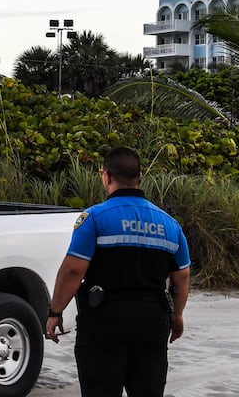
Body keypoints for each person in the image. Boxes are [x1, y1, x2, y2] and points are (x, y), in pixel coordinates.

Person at [45, 147, 191, 397]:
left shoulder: (94, 218)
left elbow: (73, 271)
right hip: (152, 322)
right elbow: (182, 278)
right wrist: (177, 315)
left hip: (104, 321)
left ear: (107, 176)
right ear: (139, 177)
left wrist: (55, 311)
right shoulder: (169, 224)